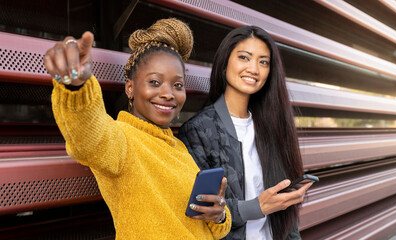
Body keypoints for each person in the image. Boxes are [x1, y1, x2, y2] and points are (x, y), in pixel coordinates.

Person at [43, 18, 231, 239]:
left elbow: (210, 227)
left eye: (177, 85)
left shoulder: (178, 147)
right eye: (154, 82)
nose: (169, 93)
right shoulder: (122, 140)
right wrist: (76, 86)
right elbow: (88, 134)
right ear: (130, 88)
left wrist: (219, 216)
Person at [178, 25, 312, 240]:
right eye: (244, 57)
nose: (254, 69)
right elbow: (197, 208)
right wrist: (257, 207)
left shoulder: (272, 128)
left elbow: (288, 221)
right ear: (224, 64)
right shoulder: (198, 131)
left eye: (263, 62)